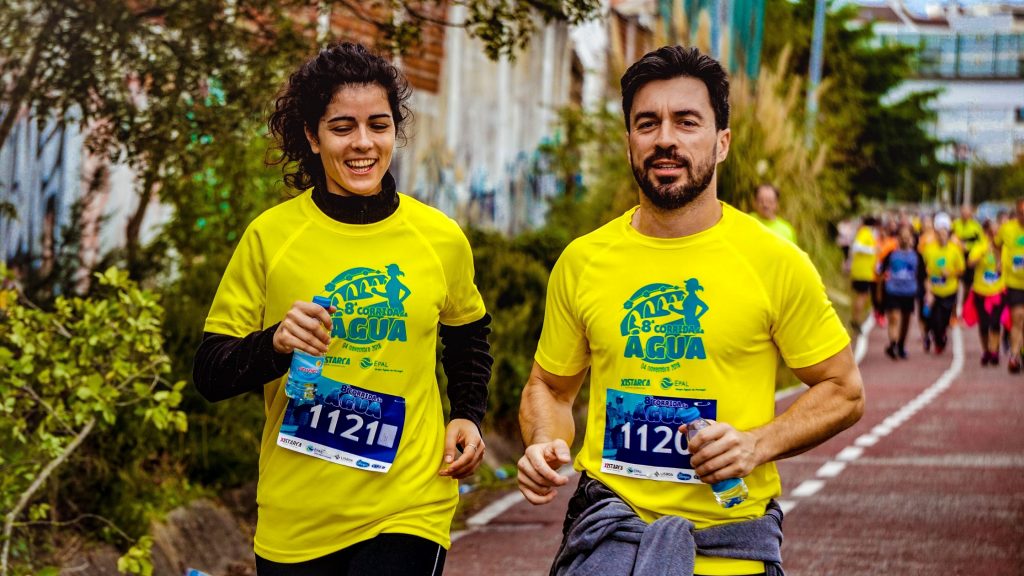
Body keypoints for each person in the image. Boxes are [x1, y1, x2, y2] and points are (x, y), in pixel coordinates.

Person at [516, 45, 864, 576]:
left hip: (731, 547)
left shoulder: (775, 262)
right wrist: (545, 442)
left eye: (687, 122)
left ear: (721, 142)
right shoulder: (584, 260)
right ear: (628, 139)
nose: (665, 139)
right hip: (608, 535)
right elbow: (551, 387)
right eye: (647, 123)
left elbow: (844, 390)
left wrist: (755, 444)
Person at [192, 42, 492, 574]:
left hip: (409, 504)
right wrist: (277, 343)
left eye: (378, 125)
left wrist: (467, 414)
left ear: (395, 131)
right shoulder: (272, 237)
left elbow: (467, 332)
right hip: (297, 516)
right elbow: (211, 371)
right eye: (342, 127)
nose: (363, 144)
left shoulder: (438, 238)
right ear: (312, 136)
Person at [878, 224, 924, 360]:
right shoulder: (891, 255)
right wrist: (880, 291)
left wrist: (926, 294)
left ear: (911, 238)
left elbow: (922, 277)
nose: (904, 239)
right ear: (897, 238)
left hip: (909, 293)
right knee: (894, 318)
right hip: (893, 291)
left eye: (907, 236)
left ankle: (901, 345)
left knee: (906, 320)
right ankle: (893, 344)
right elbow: (880, 271)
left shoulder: (917, 256)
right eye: (902, 237)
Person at [923, 212, 965, 356]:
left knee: (944, 320)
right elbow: (924, 272)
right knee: (934, 319)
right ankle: (937, 339)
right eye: (939, 234)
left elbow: (961, 269)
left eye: (944, 234)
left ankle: (941, 338)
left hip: (949, 290)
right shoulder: (929, 249)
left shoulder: (954, 250)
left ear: (948, 234)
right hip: (934, 290)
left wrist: (951, 273)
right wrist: (928, 291)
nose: (942, 236)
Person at [968, 220, 1004, 366]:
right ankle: (986, 350)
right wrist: (982, 254)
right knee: (984, 325)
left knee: (995, 323)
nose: (994, 234)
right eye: (992, 231)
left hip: (998, 290)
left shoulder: (1004, 248)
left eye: (997, 231)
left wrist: (999, 257)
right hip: (981, 291)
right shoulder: (979, 246)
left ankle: (994, 351)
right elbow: (970, 263)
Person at [997, 198, 1024, 373]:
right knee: (1018, 317)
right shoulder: (1007, 229)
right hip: (1014, 282)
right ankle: (1014, 355)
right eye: (1022, 213)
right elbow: (996, 244)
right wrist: (999, 261)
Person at [849, 216, 879, 332]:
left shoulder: (867, 233)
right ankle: (855, 320)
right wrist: (872, 250)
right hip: (862, 272)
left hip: (864, 270)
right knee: (862, 295)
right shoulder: (865, 232)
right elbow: (857, 246)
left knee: (862, 296)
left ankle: (856, 319)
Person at [953, 204, 984, 302]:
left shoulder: (976, 226)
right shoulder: (955, 224)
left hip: (970, 256)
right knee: (957, 282)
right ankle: (954, 310)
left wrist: (967, 246)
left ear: (971, 213)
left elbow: (981, 242)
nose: (965, 214)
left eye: (967, 212)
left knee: (968, 284)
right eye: (963, 212)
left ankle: (965, 304)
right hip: (957, 256)